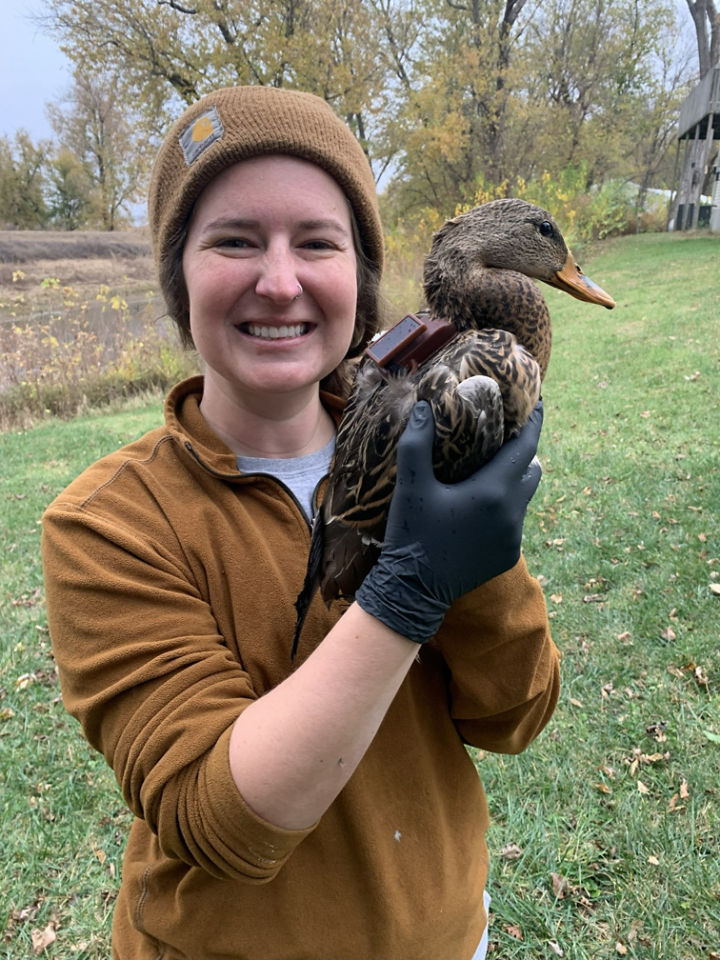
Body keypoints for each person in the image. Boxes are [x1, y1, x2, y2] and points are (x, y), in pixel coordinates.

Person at [41, 85, 560, 960]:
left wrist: (476, 548)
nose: (279, 282)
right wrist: (411, 587)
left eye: (316, 242)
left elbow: (515, 716)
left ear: (358, 276)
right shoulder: (108, 525)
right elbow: (225, 823)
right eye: (235, 240)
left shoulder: (427, 436)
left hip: (445, 938)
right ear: (180, 281)